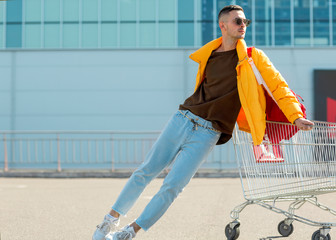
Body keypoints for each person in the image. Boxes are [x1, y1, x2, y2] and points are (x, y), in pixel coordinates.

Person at [92, 5, 314, 240]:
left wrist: (295, 116)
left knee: (172, 187)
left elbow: (279, 86)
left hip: (209, 133)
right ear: (223, 25)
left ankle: (129, 232)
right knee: (144, 172)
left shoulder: (252, 57)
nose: (243, 26)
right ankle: (109, 220)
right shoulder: (208, 54)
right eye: (238, 21)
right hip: (183, 120)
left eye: (245, 22)